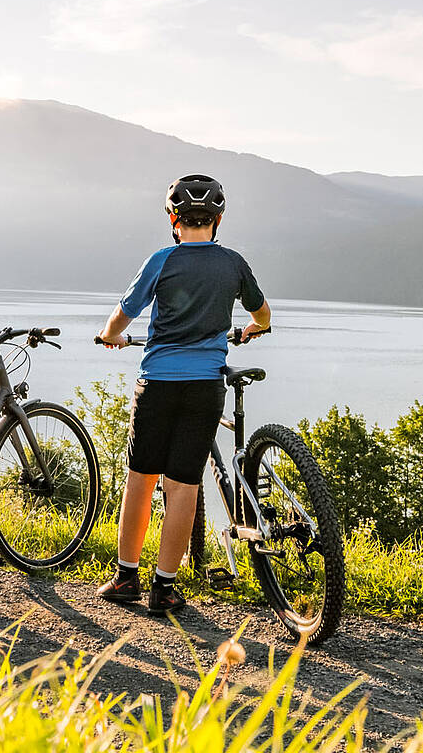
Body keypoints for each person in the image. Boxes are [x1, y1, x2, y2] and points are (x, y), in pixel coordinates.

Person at [94, 174, 270, 616]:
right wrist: (255, 328)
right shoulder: (233, 263)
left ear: (173, 218)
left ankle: (126, 577)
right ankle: (165, 589)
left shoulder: (162, 260)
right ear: (218, 219)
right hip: (204, 387)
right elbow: (261, 313)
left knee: (142, 479)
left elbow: (124, 313)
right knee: (184, 484)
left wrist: (110, 336)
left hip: (157, 383)